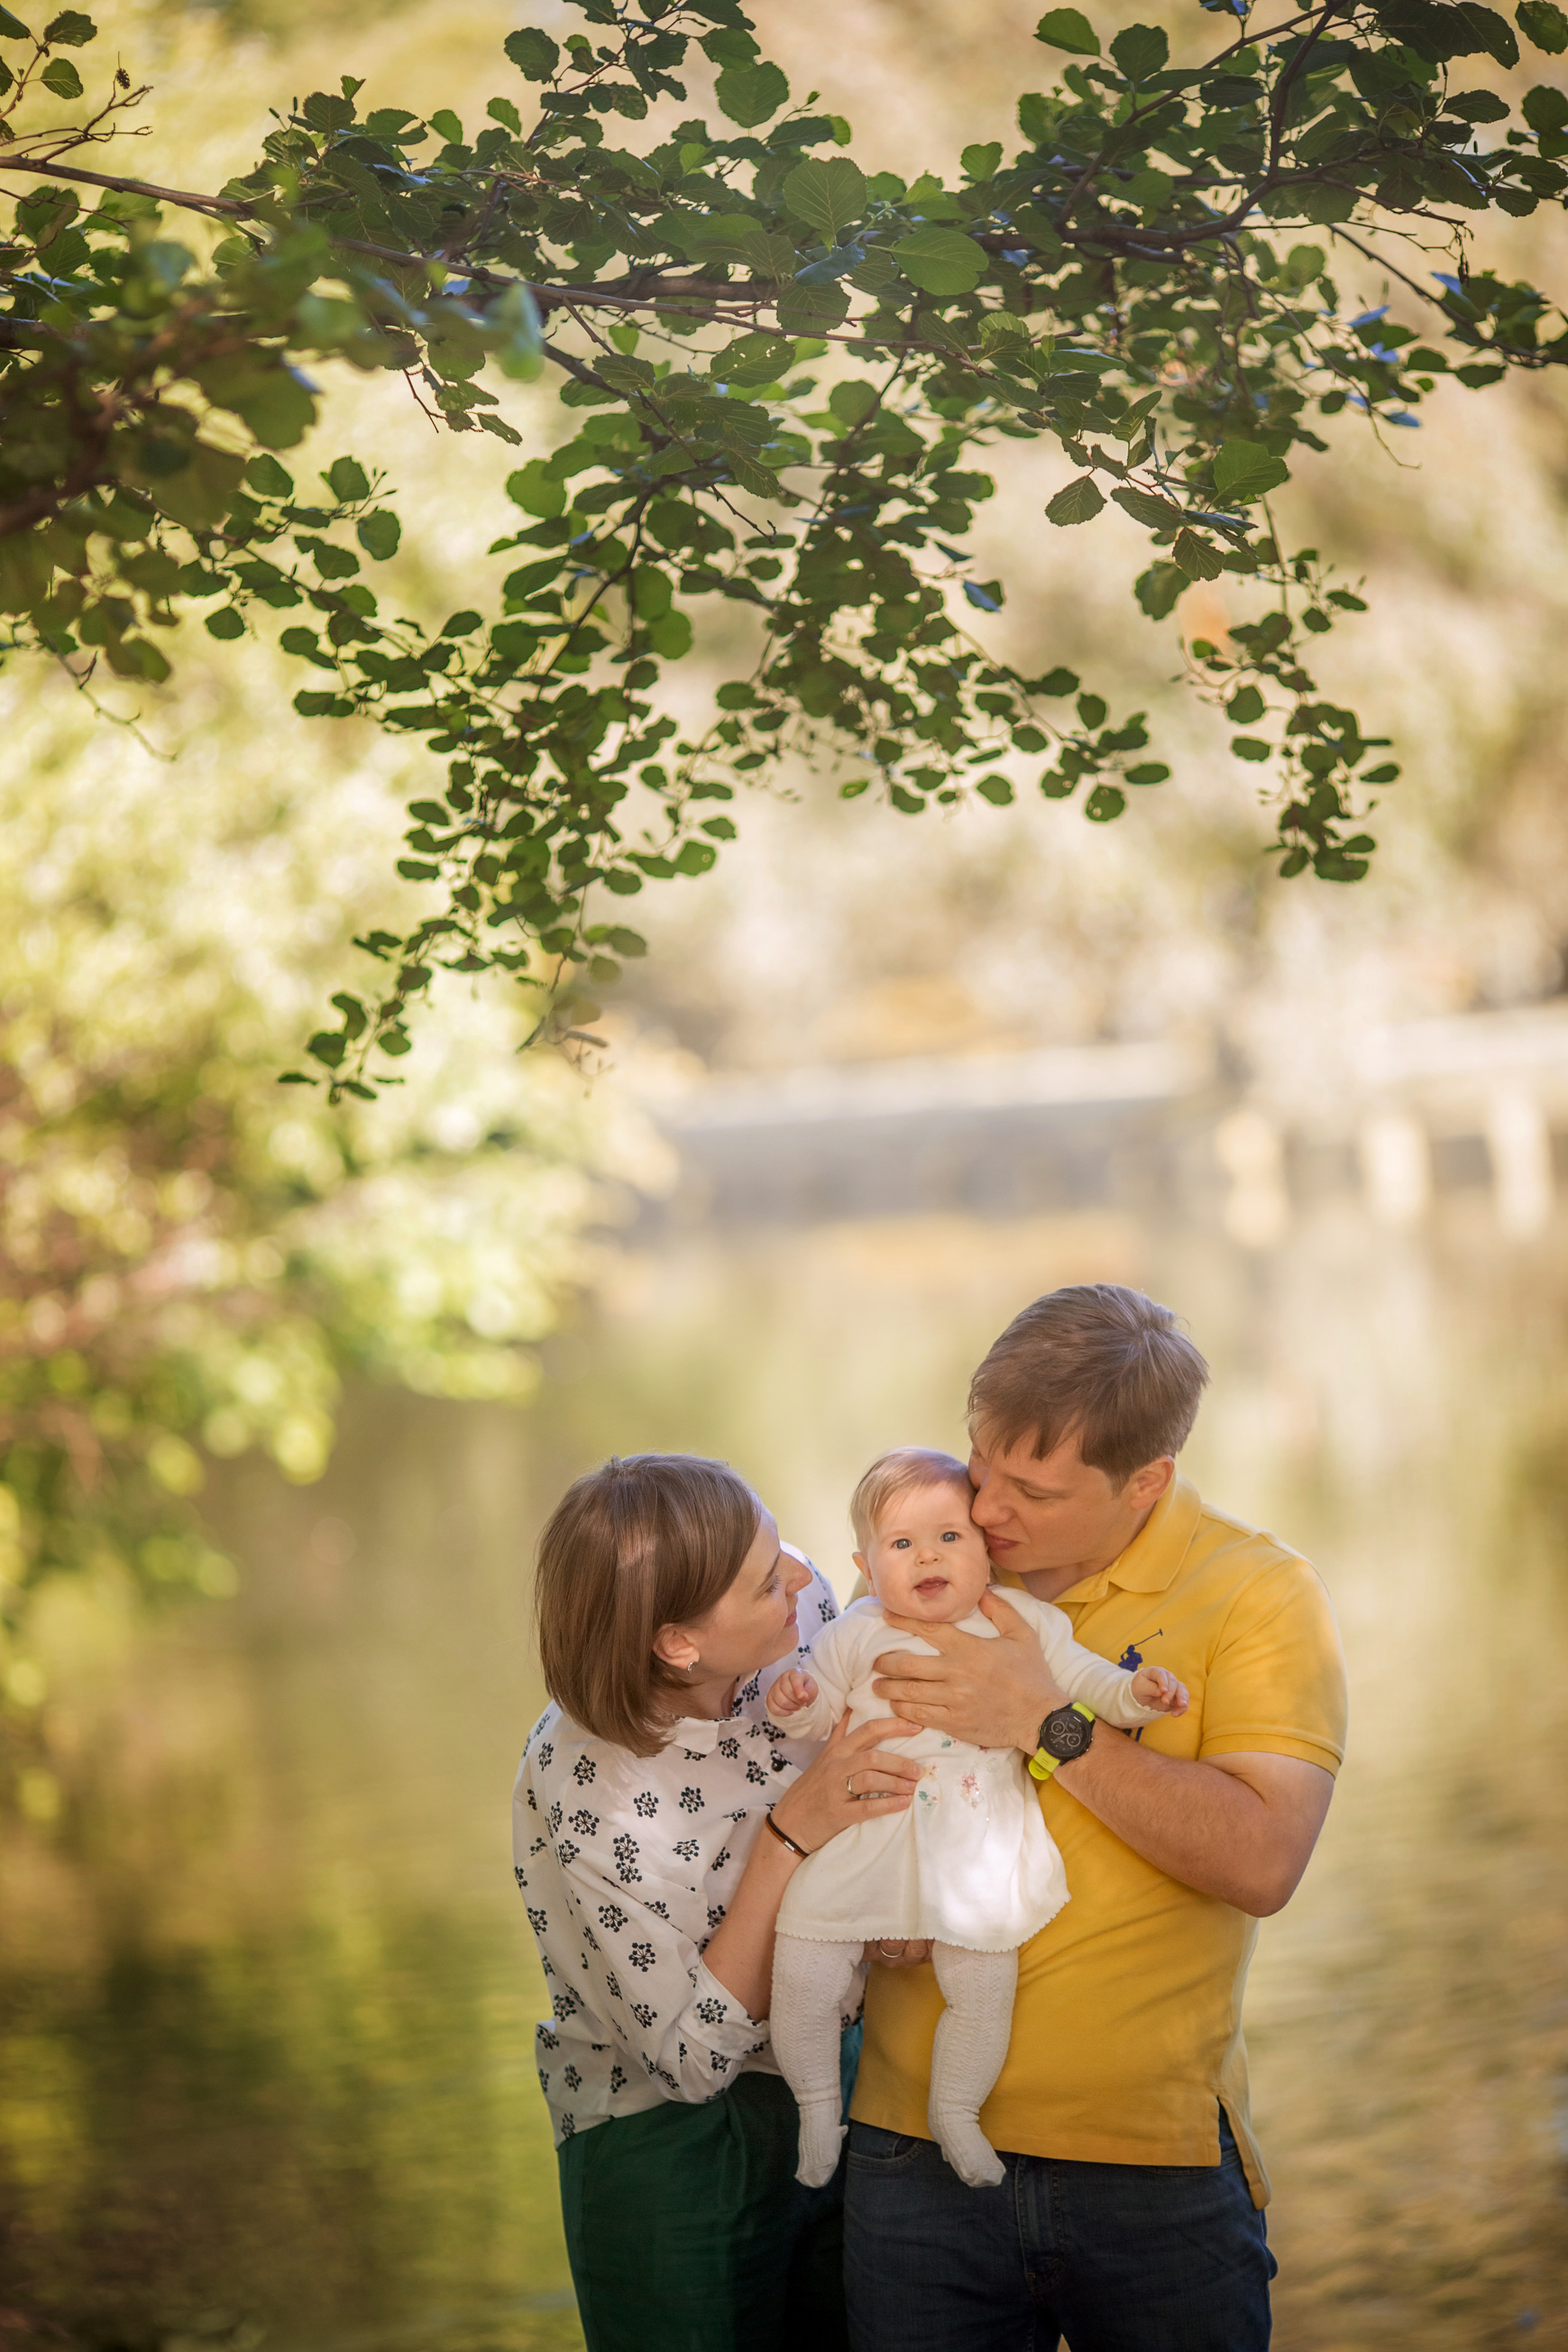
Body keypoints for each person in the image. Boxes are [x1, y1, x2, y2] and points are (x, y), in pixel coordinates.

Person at [845, 1284, 1349, 2352]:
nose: (984, 1513)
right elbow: (833, 1767)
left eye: (1030, 1490)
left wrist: (1044, 1719)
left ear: (1145, 1483)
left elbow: (1262, 1859)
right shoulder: (930, 1553)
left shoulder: (1257, 1594)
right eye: (981, 1466)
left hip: (1151, 2173)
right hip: (910, 2161)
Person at [512, 1451, 923, 2352]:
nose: (803, 1577)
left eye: (780, 1550)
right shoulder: (587, 1780)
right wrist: (792, 1833)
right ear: (677, 1644)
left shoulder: (801, 1607)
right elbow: (688, 2062)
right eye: (762, 1581)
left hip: (838, 2079)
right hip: (663, 2145)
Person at [766, 1446, 1185, 2190]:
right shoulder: (856, 1631)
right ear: (864, 1561)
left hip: (975, 1847)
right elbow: (820, 1717)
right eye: (901, 1545)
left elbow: (1084, 1682)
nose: (928, 1556)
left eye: (950, 1538)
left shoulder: (1020, 1619)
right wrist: (796, 1704)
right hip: (871, 1836)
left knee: (983, 1986)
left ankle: (956, 2113)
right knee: (801, 1962)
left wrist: (1135, 1695)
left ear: (985, 1549)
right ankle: (815, 2106)